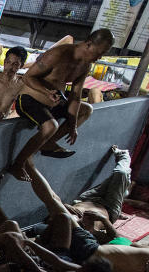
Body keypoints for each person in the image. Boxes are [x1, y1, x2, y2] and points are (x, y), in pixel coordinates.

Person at [9, 29, 115, 180]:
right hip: (28, 98)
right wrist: (46, 92)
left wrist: (73, 125)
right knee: (51, 126)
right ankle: (18, 164)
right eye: (99, 52)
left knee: (86, 110)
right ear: (89, 44)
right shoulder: (58, 54)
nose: (99, 57)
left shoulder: (85, 66)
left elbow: (76, 96)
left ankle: (48, 143)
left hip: (54, 102)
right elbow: (27, 77)